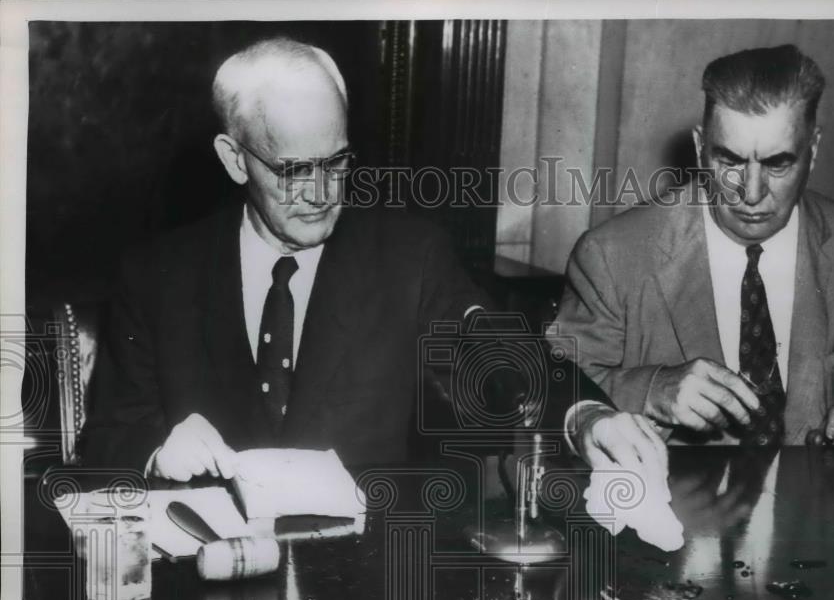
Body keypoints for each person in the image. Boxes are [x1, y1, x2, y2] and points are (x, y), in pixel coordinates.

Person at [83, 37, 664, 480]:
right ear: (235, 160)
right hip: (211, 581)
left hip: (362, 588)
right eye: (293, 171)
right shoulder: (158, 276)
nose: (320, 193)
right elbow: (108, 440)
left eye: (335, 163)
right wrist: (158, 452)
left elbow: (500, 351)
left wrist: (586, 416)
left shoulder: (408, 259)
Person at [549, 45, 834, 447]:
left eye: (777, 163)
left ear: (813, 150)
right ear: (700, 148)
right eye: (729, 161)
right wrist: (653, 390)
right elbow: (556, 389)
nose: (750, 193)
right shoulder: (611, 255)